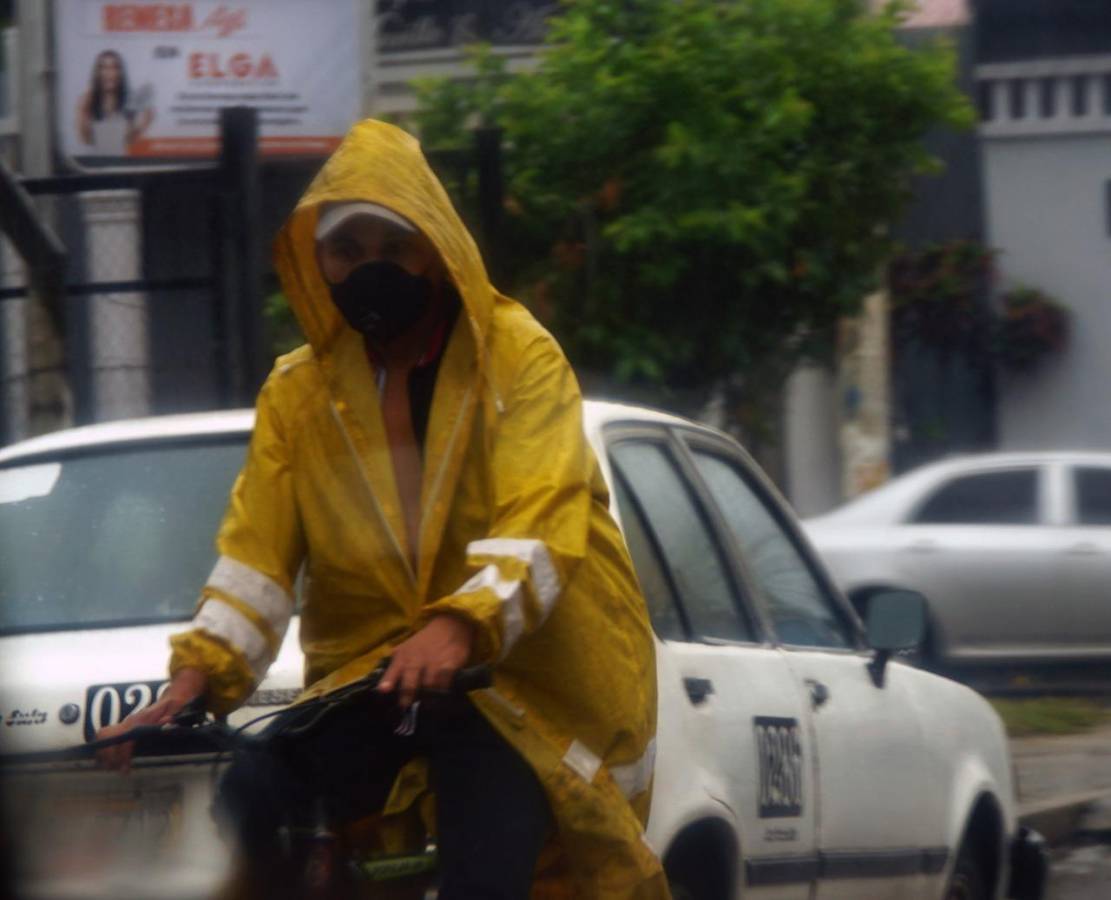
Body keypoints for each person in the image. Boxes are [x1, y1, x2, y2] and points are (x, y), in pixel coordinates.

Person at [98, 119, 668, 899]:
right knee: (251, 795)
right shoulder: (297, 393)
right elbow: (255, 561)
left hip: (517, 692)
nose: (371, 268)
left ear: (434, 249)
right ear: (317, 260)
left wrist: (459, 624)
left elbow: (539, 517)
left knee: (488, 851)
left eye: (393, 247)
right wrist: (196, 679)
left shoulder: (518, 356)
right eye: (347, 249)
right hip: (376, 681)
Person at [76, 50, 153, 155]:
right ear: (97, 73)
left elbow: (126, 140)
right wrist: (82, 111)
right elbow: (86, 139)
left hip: (122, 162)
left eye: (114, 68)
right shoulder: (88, 101)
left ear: (120, 73)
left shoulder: (129, 103)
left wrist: (143, 125)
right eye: (104, 68)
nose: (109, 73)